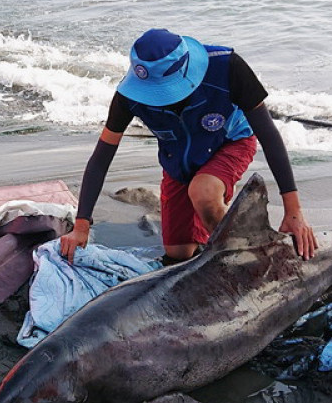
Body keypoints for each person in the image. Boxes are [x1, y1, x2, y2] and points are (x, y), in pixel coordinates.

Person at [59, 29, 318, 264]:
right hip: (179, 161)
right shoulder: (129, 95)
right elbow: (102, 156)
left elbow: (269, 135)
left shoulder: (227, 67)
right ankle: (222, 216)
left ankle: (247, 260)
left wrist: (293, 211)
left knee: (204, 193)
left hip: (230, 142)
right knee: (178, 253)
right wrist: (82, 224)